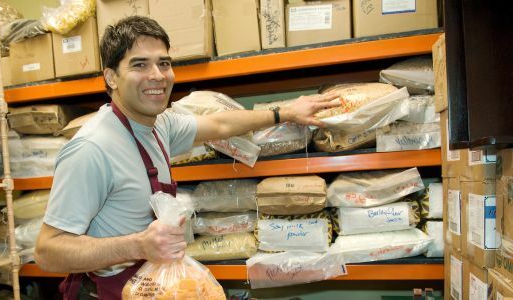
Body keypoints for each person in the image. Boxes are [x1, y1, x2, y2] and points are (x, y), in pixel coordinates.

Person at [35, 16, 340, 300]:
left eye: (163, 63)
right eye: (139, 65)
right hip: (116, 291)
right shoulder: (92, 148)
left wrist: (285, 112)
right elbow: (48, 251)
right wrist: (138, 245)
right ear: (111, 77)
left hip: (157, 285)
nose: (157, 76)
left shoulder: (158, 125)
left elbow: (220, 124)